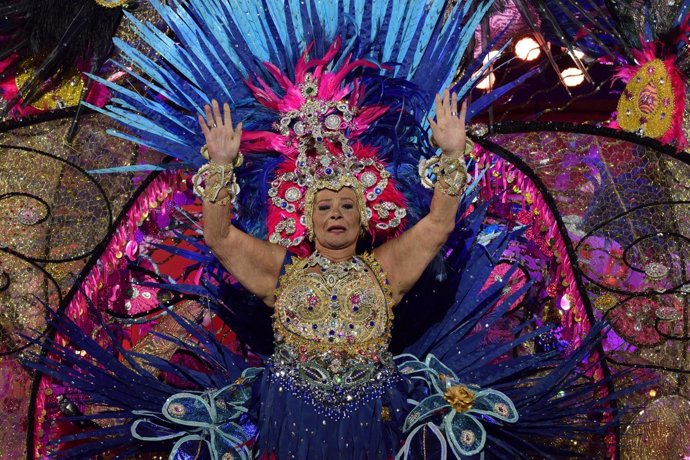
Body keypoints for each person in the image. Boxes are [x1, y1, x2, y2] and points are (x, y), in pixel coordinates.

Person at [195, 88, 471, 458]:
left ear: (365, 216)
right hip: (293, 419)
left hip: (371, 420)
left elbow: (439, 224)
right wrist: (221, 165)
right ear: (308, 220)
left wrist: (453, 154)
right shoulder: (282, 271)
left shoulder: (384, 271)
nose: (336, 213)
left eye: (346, 205)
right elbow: (219, 235)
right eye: (324, 206)